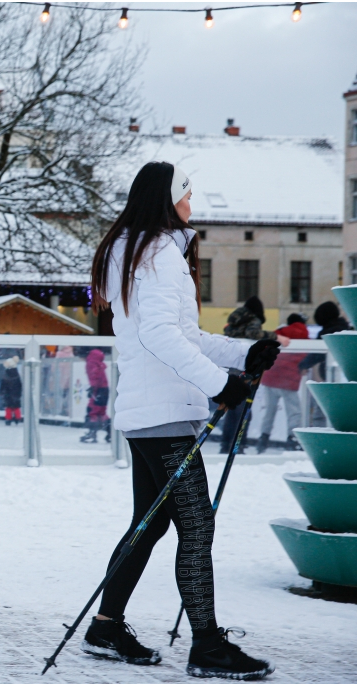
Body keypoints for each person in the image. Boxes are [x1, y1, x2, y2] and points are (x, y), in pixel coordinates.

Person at [85, 161, 279, 679]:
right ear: (169, 201)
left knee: (149, 525)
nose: (193, 206)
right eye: (188, 196)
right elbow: (161, 337)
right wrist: (222, 385)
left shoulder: (138, 251)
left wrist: (245, 353)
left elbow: (182, 336)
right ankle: (207, 646)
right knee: (196, 527)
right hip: (166, 413)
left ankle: (106, 626)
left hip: (151, 409)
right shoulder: (157, 254)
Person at [220, 296, 288, 454]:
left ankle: (226, 445)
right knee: (243, 412)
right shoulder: (253, 319)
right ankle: (238, 445)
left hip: (232, 369)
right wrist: (276, 337)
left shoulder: (234, 322)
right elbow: (254, 333)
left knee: (231, 410)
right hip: (245, 369)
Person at [256, 313, 309, 453]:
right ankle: (292, 440)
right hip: (288, 379)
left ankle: (263, 439)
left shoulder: (279, 332)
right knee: (294, 411)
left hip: (271, 376)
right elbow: (307, 353)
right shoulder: (304, 332)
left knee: (269, 410)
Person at [81, 348, 111, 443]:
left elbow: (94, 375)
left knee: (92, 411)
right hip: (104, 389)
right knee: (101, 413)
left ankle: (92, 434)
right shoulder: (96, 360)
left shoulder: (91, 362)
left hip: (98, 390)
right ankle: (111, 432)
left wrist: (93, 387)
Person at [0, 356, 23, 425]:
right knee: (16, 406)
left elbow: (3, 383)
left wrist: (2, 391)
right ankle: (17, 417)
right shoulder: (16, 374)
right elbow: (19, 384)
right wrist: (19, 392)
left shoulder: (6, 374)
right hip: (16, 393)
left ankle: (8, 418)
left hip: (7, 392)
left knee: (8, 406)